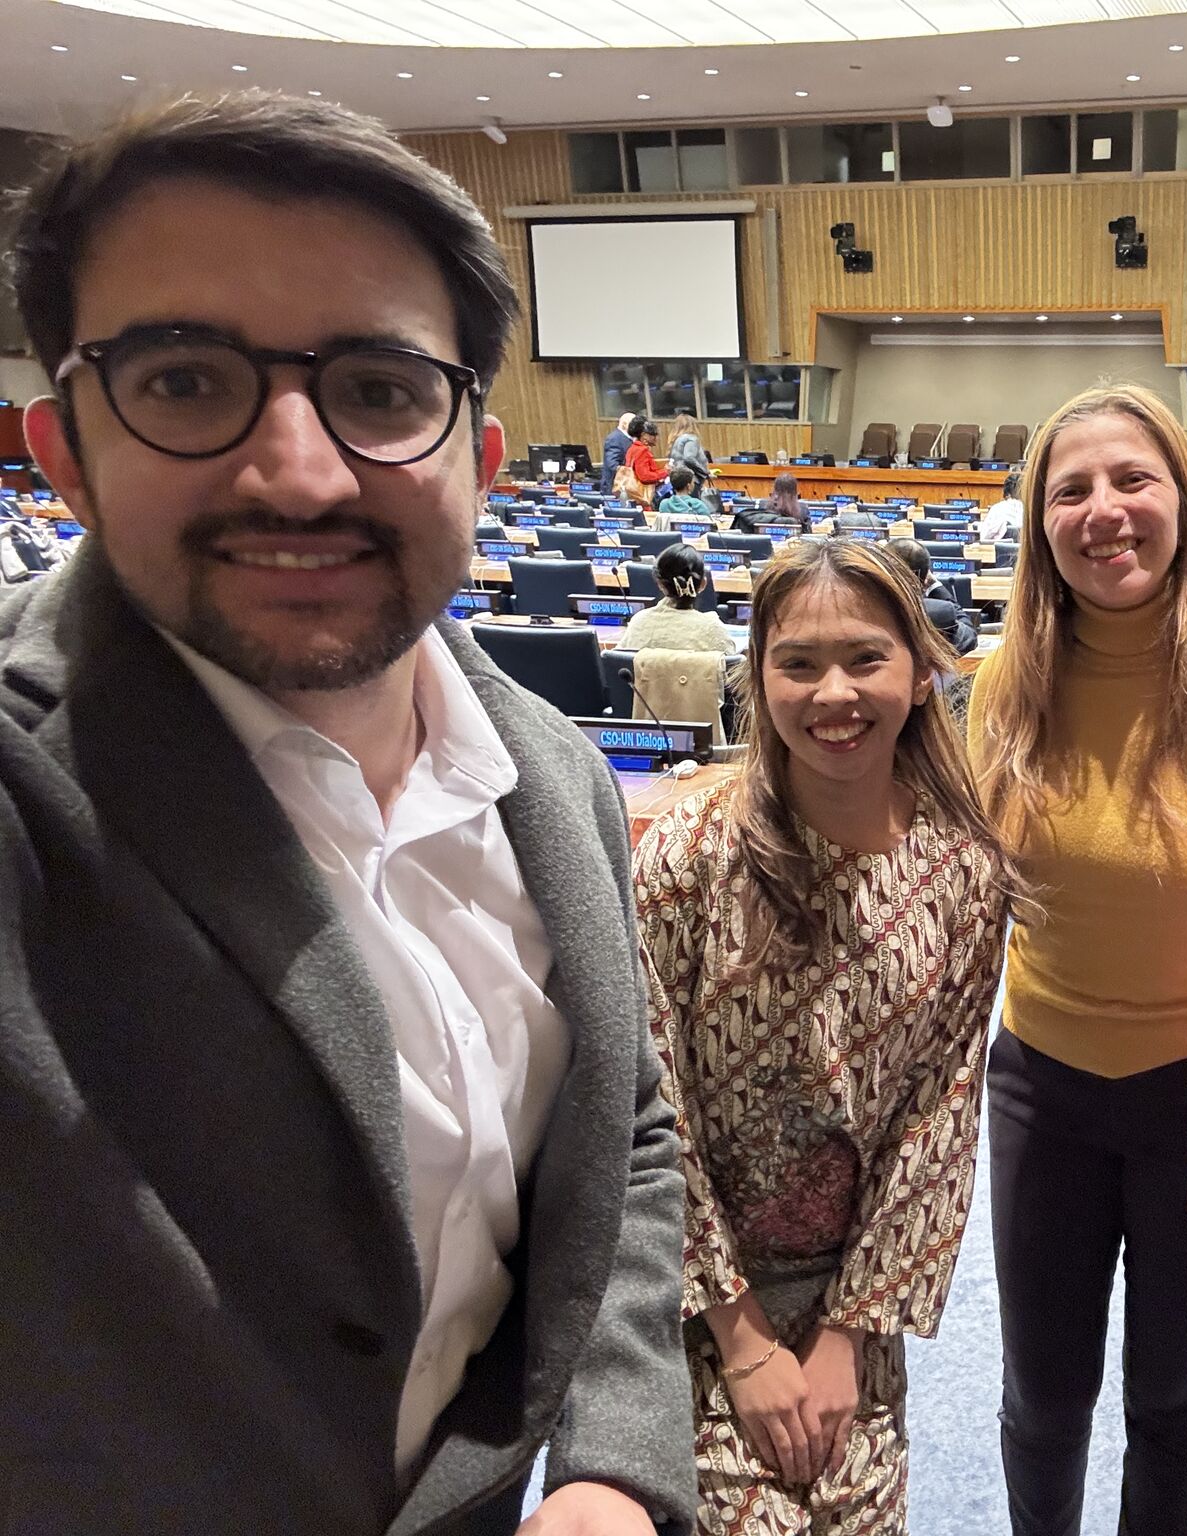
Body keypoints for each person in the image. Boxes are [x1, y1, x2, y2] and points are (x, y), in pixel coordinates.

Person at [1, 92, 692, 1534]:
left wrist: (618, 1464)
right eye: (187, 381)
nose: (299, 471)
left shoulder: (554, 773)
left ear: (480, 463)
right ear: (61, 447)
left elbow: (618, 1123)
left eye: (379, 389)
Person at [635, 536, 1023, 1532]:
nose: (831, 694)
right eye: (796, 665)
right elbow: (644, 1103)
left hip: (855, 1301)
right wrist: (744, 1338)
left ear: (921, 674)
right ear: (757, 679)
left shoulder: (963, 876)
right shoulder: (684, 857)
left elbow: (936, 1122)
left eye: (864, 658)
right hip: (690, 1300)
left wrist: (848, 1337)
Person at [966, 384, 1187, 1536]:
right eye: (1071, 488)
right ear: (1039, 523)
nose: (1105, 510)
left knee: (1175, 1391)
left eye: (1131, 480)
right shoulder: (1004, 689)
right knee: (1043, 1394)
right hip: (1041, 1083)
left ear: (1184, 502)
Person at [620, 543, 736, 656]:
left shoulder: (638, 623)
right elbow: (732, 669)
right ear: (703, 584)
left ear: (660, 584)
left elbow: (618, 662)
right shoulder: (714, 630)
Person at [885, 536, 977, 657]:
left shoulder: (861, 607)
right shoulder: (939, 614)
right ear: (924, 579)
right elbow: (969, 638)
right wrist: (935, 585)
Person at [616, 414, 666, 508]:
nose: (656, 438)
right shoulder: (642, 450)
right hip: (641, 496)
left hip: (631, 494)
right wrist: (665, 472)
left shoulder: (632, 448)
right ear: (644, 435)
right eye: (653, 435)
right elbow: (644, 476)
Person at [979, 472, 1024, 544]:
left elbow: (983, 537)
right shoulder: (1034, 512)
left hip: (997, 553)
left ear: (1006, 493)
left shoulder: (997, 509)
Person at [668, 413, 711, 485]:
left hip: (678, 478)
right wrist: (704, 471)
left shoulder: (676, 440)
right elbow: (689, 458)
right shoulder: (691, 439)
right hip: (691, 479)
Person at [602, 409, 635, 489]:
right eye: (634, 424)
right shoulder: (614, 439)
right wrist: (632, 473)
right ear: (624, 424)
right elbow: (613, 465)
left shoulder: (629, 438)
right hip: (616, 486)